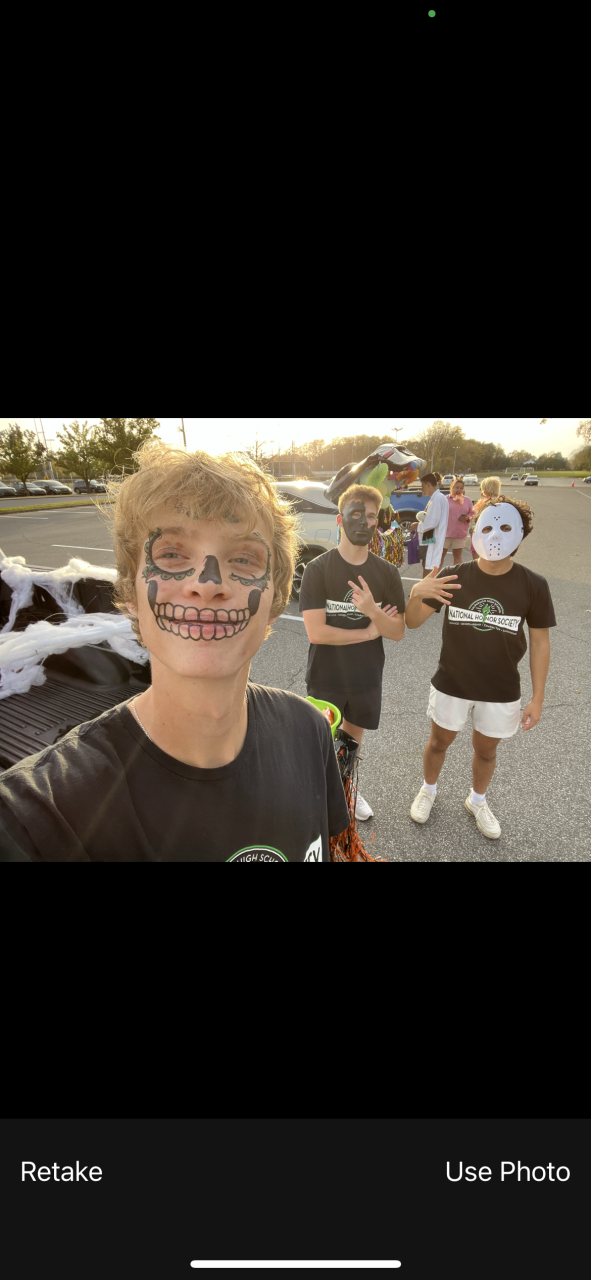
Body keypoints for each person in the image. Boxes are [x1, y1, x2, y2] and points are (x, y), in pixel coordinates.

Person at [0, 441, 350, 861]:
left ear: (276, 598)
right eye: (170, 554)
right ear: (129, 593)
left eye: (244, 558)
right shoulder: (37, 817)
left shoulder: (309, 732)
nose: (208, 582)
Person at [405, 495, 556, 841]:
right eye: (487, 527)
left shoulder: (533, 585)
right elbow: (412, 622)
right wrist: (416, 593)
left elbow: (540, 643)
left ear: (520, 535)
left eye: (505, 527)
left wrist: (538, 697)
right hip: (452, 681)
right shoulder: (453, 576)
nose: (494, 535)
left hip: (500, 688)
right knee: (439, 742)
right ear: (475, 530)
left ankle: (477, 801)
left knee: (487, 750)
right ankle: (428, 789)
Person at [299, 483, 406, 822]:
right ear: (339, 519)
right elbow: (317, 632)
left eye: (371, 516)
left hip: (366, 675)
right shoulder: (318, 569)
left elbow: (397, 631)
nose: (364, 521)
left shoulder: (386, 572)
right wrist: (368, 631)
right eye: (356, 513)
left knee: (351, 742)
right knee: (321, 740)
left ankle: (346, 790)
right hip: (326, 674)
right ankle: (317, 794)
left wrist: (373, 611)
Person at [411, 473, 449, 579]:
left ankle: (426, 588)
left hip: (432, 538)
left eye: (422, 486)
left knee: (429, 567)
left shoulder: (437, 499)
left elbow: (432, 522)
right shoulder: (435, 498)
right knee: (426, 564)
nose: (421, 489)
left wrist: (417, 526)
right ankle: (426, 586)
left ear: (428, 485)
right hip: (429, 537)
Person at [443, 477, 474, 567]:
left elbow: (472, 513)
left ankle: (457, 574)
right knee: (441, 555)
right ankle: (436, 574)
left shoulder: (467, 500)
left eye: (461, 488)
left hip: (460, 533)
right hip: (446, 533)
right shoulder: (445, 499)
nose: (459, 490)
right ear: (451, 487)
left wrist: (467, 517)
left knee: (457, 555)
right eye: (457, 487)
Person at [470, 475, 501, 559]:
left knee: (479, 557)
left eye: (482, 487)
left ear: (487, 488)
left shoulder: (489, 503)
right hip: (488, 533)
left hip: (482, 533)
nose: (480, 489)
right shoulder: (498, 501)